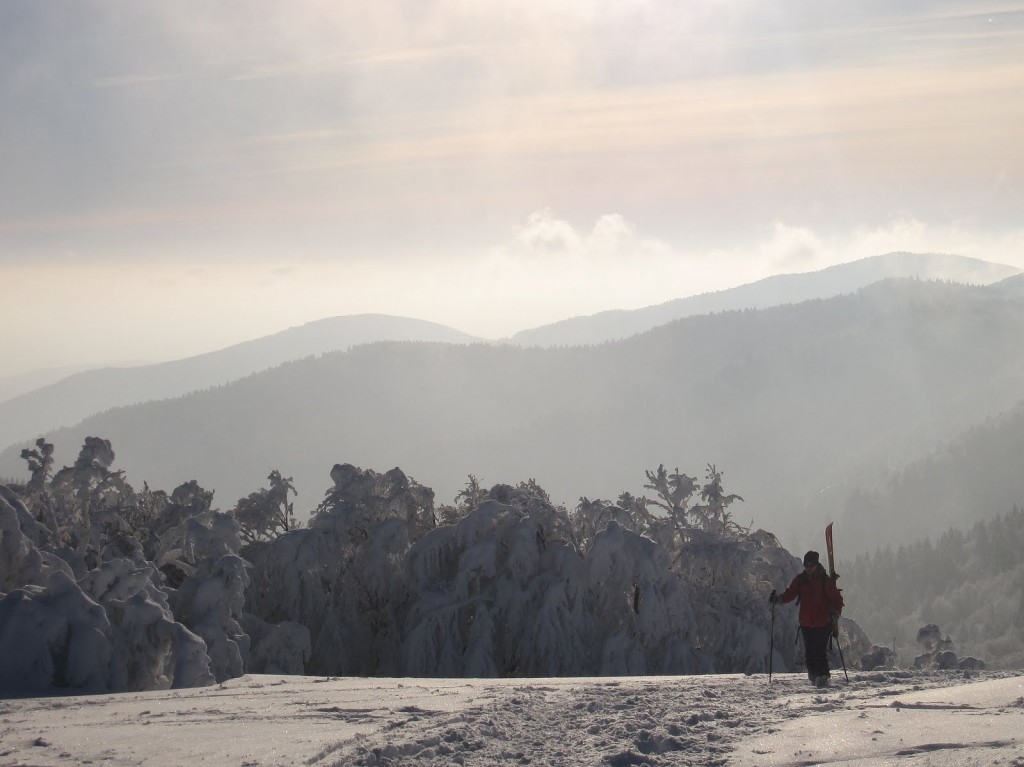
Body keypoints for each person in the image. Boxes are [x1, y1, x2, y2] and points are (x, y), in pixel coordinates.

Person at [769, 550, 843, 687]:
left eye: (811, 565)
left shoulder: (824, 581)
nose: (808, 568)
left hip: (823, 623)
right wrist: (778, 599)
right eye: (806, 565)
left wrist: (835, 613)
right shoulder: (800, 580)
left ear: (816, 564)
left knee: (819, 651)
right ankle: (814, 678)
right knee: (809, 653)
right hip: (806, 623)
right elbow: (790, 594)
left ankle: (823, 678)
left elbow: (837, 599)